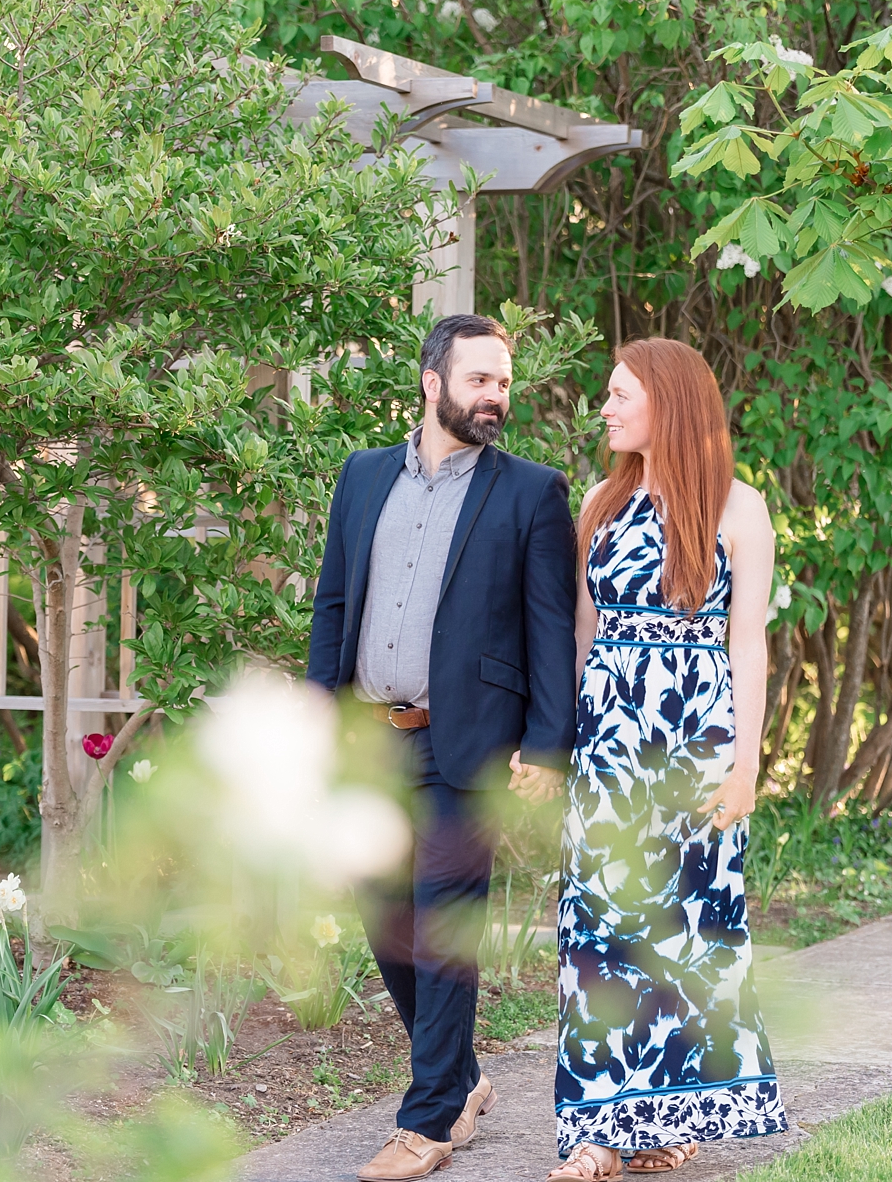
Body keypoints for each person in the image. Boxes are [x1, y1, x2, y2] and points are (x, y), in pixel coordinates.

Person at [308, 313, 579, 1182]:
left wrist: (544, 745)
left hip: (469, 747)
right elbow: (333, 609)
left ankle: (426, 1122)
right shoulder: (360, 477)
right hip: (369, 741)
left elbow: (549, 627)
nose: (496, 396)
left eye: (503, 381)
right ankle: (461, 1078)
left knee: (443, 933)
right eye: (479, 380)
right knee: (386, 921)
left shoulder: (531, 492)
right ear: (432, 382)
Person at [541, 338, 787, 1179]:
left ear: (667, 401)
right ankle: (595, 1130)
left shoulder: (736, 506)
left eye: (618, 394)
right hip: (610, 743)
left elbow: (746, 643)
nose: (603, 407)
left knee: (687, 924)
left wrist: (747, 763)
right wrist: (569, 749)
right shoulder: (600, 503)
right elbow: (581, 636)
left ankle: (665, 1116)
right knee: (599, 927)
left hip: (696, 740)